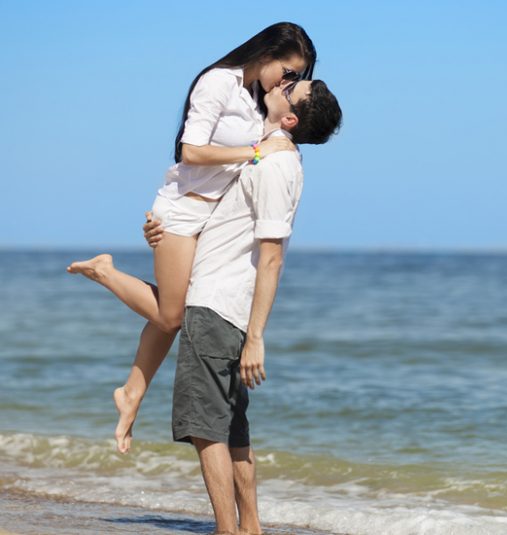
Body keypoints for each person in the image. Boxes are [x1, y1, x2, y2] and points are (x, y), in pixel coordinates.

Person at [66, 22, 316, 454]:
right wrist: (256, 152)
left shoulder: (258, 100)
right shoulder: (217, 82)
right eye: (289, 71)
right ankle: (105, 272)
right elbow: (191, 151)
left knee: (172, 316)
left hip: (210, 219)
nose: (288, 82)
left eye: (296, 78)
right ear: (269, 52)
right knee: (172, 316)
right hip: (183, 212)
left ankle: (130, 394)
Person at [144, 79, 342, 535]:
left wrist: (256, 338)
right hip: (222, 305)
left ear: (289, 118)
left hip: (217, 304)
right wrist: (162, 230)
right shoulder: (260, 156)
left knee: (204, 427)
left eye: (292, 86)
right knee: (231, 426)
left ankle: (227, 530)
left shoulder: (277, 166)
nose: (281, 82)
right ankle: (249, 527)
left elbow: (271, 255)